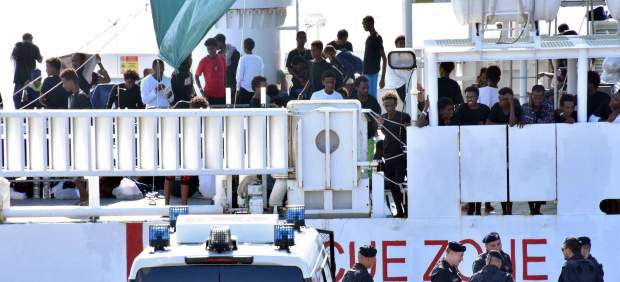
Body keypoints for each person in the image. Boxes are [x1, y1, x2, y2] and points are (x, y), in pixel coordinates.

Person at [61, 68, 92, 205]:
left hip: (83, 138)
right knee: (73, 169)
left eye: (64, 82)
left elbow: (89, 117)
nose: (63, 85)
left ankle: (85, 197)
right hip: (74, 137)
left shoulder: (81, 96)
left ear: (72, 81)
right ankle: (84, 196)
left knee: (77, 169)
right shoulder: (71, 97)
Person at [380, 92, 411, 217]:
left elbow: (409, 131)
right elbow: (383, 132)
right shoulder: (382, 117)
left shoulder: (404, 116)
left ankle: (407, 210)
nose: (389, 108)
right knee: (393, 185)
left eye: (391, 105)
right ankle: (399, 211)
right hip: (388, 155)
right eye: (386, 106)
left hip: (401, 156)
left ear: (396, 104)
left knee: (401, 184)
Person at [12, 33, 42, 106]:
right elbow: (40, 60)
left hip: (19, 78)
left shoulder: (17, 47)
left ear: (23, 39)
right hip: (30, 79)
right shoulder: (35, 47)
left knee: (17, 99)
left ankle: (18, 114)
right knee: (32, 99)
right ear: (31, 39)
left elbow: (13, 57)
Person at [196, 38, 227, 106]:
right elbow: (196, 76)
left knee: (221, 116)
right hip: (208, 95)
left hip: (222, 95)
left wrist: (226, 90)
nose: (210, 51)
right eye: (208, 49)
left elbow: (225, 74)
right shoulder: (203, 61)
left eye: (212, 48)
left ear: (216, 48)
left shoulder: (222, 58)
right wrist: (201, 91)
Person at [362, 16, 387, 97]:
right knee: (365, 96)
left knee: (371, 97)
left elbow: (384, 58)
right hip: (366, 72)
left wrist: (382, 78)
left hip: (372, 73)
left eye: (364, 24)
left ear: (371, 23)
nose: (363, 26)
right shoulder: (369, 38)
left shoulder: (377, 38)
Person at [236, 38, 264, 105]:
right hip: (256, 91)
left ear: (244, 46)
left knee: (243, 112)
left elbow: (239, 76)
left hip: (244, 90)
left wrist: (238, 88)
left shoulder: (242, 59)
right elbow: (261, 75)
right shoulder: (259, 59)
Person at [385, 35, 412, 103]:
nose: (403, 45)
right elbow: (400, 72)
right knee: (409, 102)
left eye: (404, 44)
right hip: (397, 84)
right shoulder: (393, 55)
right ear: (396, 45)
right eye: (401, 43)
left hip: (403, 83)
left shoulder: (405, 55)